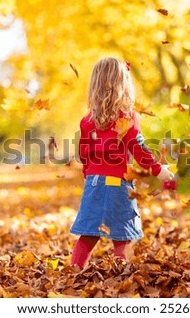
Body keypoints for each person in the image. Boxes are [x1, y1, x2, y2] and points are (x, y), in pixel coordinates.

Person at [70, 57, 174, 268]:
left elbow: (85, 154)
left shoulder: (87, 121)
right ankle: (121, 279)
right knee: (122, 235)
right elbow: (138, 148)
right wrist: (157, 169)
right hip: (117, 184)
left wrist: (89, 177)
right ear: (123, 84)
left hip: (93, 184)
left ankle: (73, 272)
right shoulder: (127, 117)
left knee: (88, 235)